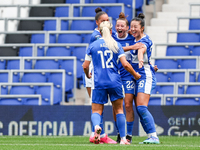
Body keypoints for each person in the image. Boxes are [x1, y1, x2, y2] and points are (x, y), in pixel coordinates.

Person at [82, 21, 141, 145]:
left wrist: (88, 74)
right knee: (119, 109)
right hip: (115, 82)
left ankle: (97, 126)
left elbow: (85, 66)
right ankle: (124, 139)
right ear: (110, 31)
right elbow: (125, 64)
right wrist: (135, 74)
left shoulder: (93, 45)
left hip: (99, 82)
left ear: (99, 31)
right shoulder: (116, 44)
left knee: (96, 111)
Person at [84, 7, 117, 144]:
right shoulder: (96, 35)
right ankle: (99, 134)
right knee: (97, 106)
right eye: (103, 20)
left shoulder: (110, 33)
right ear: (97, 22)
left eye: (108, 20)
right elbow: (113, 46)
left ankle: (97, 134)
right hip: (94, 72)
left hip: (100, 72)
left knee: (99, 105)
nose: (106, 23)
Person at [128, 13, 160, 144]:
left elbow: (141, 50)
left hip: (145, 76)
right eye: (131, 27)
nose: (133, 29)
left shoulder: (145, 40)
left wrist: (141, 59)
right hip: (136, 76)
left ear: (142, 28)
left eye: (136, 26)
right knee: (139, 109)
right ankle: (151, 136)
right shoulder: (132, 39)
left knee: (141, 107)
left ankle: (154, 136)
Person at [112, 12, 136, 143]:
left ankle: (129, 135)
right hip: (114, 77)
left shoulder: (133, 38)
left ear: (127, 28)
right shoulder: (111, 39)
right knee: (116, 106)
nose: (119, 27)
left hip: (127, 76)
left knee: (127, 105)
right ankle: (119, 133)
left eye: (122, 25)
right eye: (117, 25)